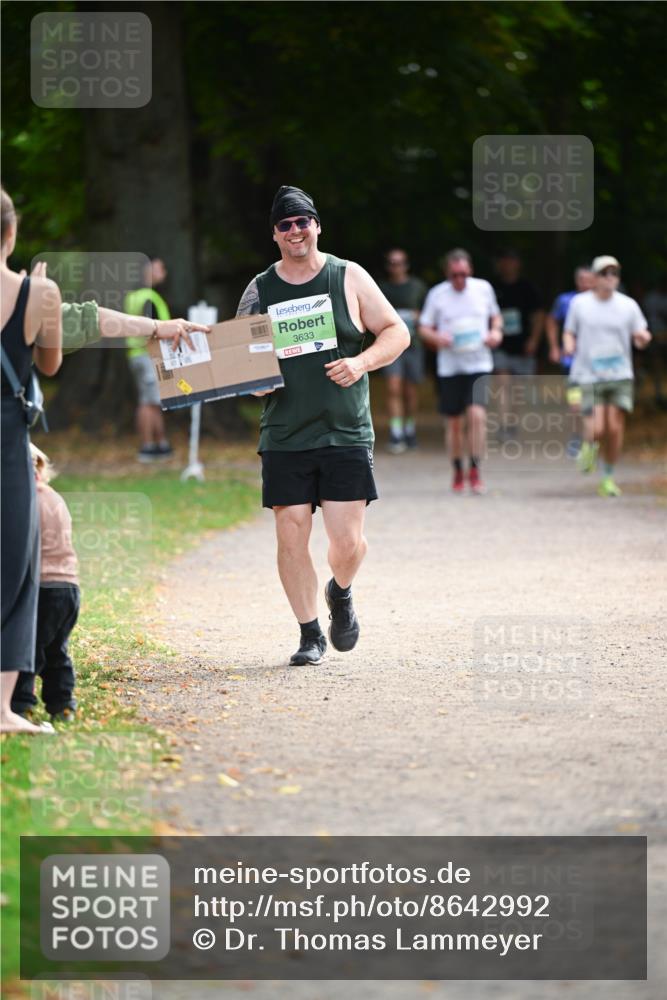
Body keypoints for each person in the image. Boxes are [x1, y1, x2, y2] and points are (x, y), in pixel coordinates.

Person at [235, 185, 409, 666]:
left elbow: (397, 331)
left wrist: (361, 362)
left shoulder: (347, 275)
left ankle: (342, 591)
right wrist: (253, 383)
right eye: (285, 225)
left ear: (317, 226)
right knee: (290, 532)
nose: (296, 231)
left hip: (344, 428)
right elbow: (242, 364)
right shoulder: (260, 290)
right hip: (285, 432)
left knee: (346, 543)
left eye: (303, 221)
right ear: (275, 234)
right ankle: (309, 634)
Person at [1, 187, 62, 734]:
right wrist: (41, 294)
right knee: (15, 565)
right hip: (6, 439)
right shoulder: (38, 292)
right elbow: (50, 361)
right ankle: (2, 709)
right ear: (12, 233)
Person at [563, 255, 652, 497]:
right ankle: (588, 448)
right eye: (604, 273)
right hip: (588, 375)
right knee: (597, 427)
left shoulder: (628, 305)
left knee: (614, 427)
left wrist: (643, 338)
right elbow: (569, 332)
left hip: (619, 374)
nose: (610, 278)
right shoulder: (580, 304)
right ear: (594, 277)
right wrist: (568, 345)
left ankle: (609, 477)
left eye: (614, 273)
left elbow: (641, 333)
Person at [419, 249, 503, 495]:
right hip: (450, 367)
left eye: (464, 274)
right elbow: (423, 327)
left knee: (477, 416)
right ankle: (457, 469)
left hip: (479, 364)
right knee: (454, 423)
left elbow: (496, 318)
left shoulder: (483, 289)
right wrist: (436, 337)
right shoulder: (437, 295)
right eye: (455, 275)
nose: (460, 280)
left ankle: (475, 469)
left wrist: (496, 333)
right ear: (448, 273)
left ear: (471, 271)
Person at [11, 445, 80, 723]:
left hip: (42, 587)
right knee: (55, 650)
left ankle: (19, 703)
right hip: (69, 588)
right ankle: (62, 703)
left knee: (26, 648)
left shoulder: (25, 500)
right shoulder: (54, 498)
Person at [491, 248, 544, 437]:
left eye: (511, 260)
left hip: (522, 347)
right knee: (502, 384)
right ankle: (504, 424)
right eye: (504, 260)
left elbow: (538, 316)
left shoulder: (527, 288)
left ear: (518, 264)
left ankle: (512, 422)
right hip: (500, 346)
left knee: (518, 390)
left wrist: (534, 340)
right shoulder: (492, 288)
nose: (507, 265)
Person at [378, 249, 427, 452]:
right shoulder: (381, 288)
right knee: (393, 387)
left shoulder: (418, 287)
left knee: (410, 390)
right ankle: (396, 433)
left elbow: (430, 314)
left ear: (406, 265)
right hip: (390, 345)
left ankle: (409, 429)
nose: (396, 266)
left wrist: (419, 317)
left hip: (413, 345)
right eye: (392, 262)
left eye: (400, 262)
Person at [125, 257, 173, 462]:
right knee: (148, 401)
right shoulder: (149, 297)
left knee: (152, 400)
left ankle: (159, 444)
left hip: (137, 355)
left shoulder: (134, 296)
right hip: (147, 355)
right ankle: (147, 446)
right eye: (159, 267)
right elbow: (150, 330)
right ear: (148, 270)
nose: (163, 272)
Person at [545, 266, 595, 456]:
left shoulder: (603, 302)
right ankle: (576, 437)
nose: (586, 283)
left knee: (593, 406)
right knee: (576, 405)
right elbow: (552, 321)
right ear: (577, 281)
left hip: (597, 365)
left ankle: (591, 443)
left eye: (589, 279)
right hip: (571, 363)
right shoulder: (566, 301)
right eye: (582, 279)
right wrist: (554, 347)